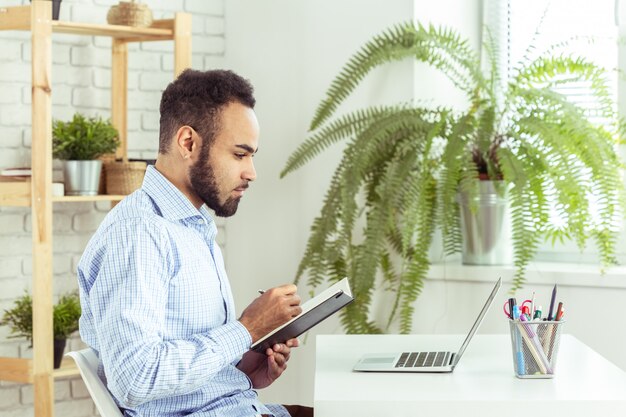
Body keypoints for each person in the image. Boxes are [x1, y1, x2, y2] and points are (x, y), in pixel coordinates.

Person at [77, 69, 314, 417]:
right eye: (239, 154)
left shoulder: (193, 225)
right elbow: (134, 379)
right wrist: (245, 329)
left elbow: (186, 365)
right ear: (188, 142)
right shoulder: (140, 233)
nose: (251, 172)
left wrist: (247, 364)